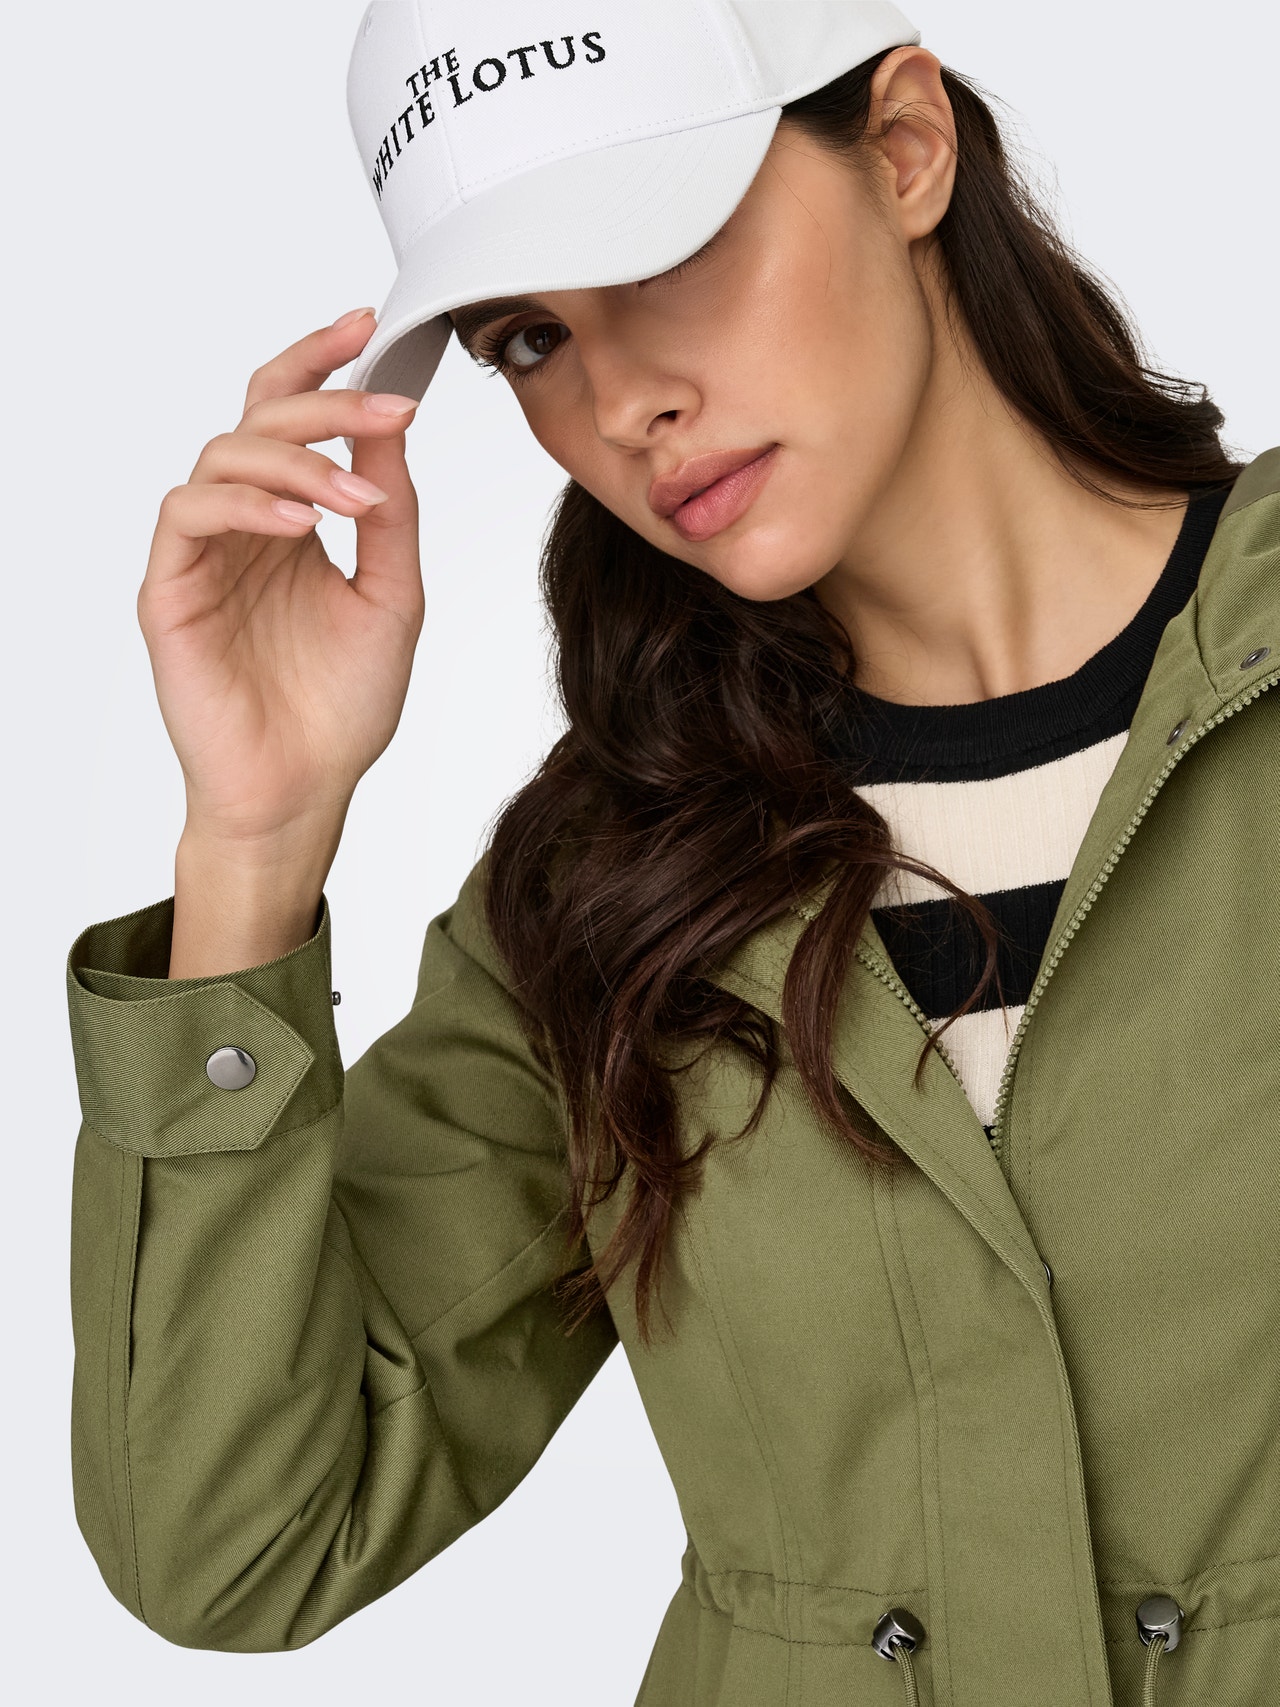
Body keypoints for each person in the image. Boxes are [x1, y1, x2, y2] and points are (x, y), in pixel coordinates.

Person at [63, 4, 1280, 1704]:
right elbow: (235, 1546)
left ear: (906, 150)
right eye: (529, 338)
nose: (625, 398)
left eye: (667, 245)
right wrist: (253, 844)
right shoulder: (606, 897)